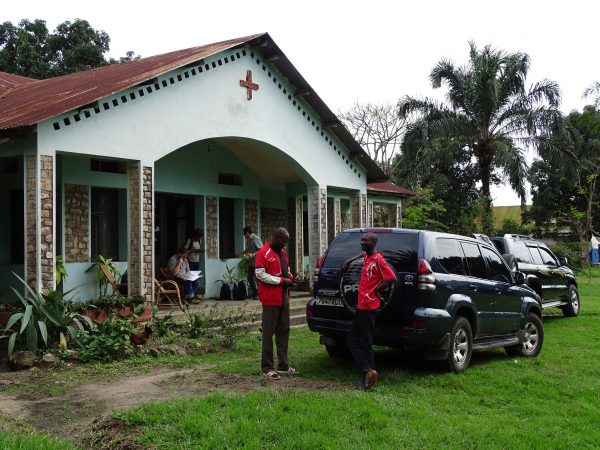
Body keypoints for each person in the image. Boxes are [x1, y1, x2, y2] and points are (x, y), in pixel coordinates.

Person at [341, 232, 396, 390]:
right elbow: (362, 253)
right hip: (361, 306)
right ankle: (368, 373)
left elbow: (391, 278)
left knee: (364, 342)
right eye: (362, 239)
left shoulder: (378, 260)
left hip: (370, 306)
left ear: (373, 243)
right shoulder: (367, 256)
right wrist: (349, 260)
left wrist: (377, 290)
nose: (362, 242)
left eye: (366, 240)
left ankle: (368, 373)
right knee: (353, 339)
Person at [255, 227, 296, 380]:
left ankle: (283, 365)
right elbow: (260, 274)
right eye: (284, 241)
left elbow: (287, 268)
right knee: (268, 333)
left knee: (283, 331)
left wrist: (291, 277)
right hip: (270, 299)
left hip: (284, 298)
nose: (285, 244)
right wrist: (281, 281)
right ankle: (267, 367)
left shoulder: (282, 252)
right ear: (276, 237)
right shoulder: (263, 253)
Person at [242, 226, 263, 299]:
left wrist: (253, 255)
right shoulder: (250, 240)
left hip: (257, 262)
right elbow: (247, 250)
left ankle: (259, 294)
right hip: (251, 263)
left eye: (244, 234)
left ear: (247, 233)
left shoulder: (255, 239)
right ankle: (255, 293)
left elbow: (261, 250)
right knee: (250, 278)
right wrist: (239, 254)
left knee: (257, 278)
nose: (244, 236)